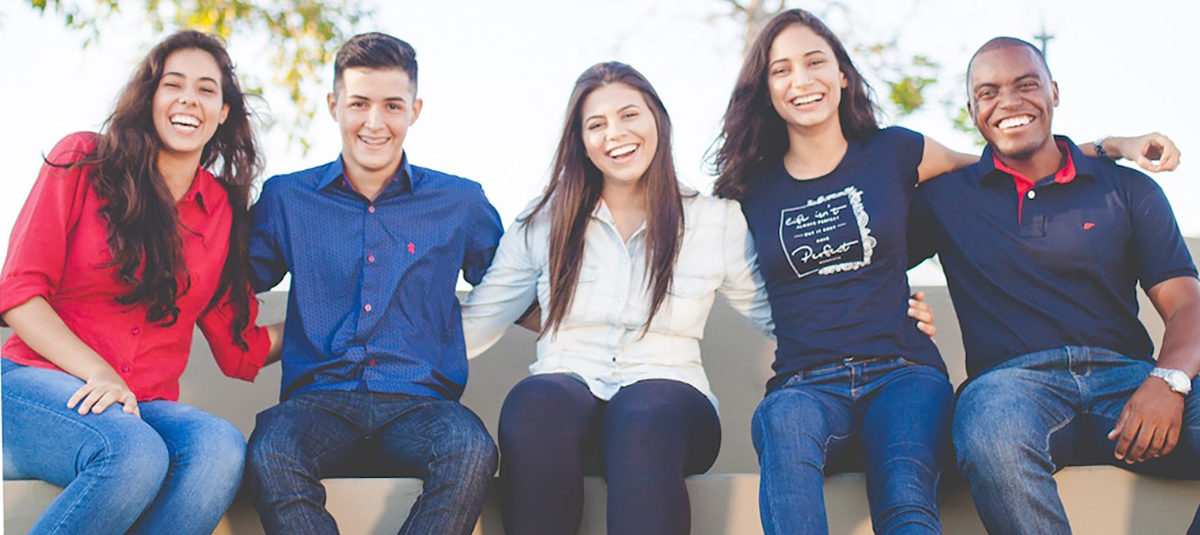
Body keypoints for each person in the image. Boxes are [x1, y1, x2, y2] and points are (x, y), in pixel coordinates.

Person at [710, 9, 1174, 535]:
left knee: (905, 496)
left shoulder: (897, 150)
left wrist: (1111, 147)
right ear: (765, 88)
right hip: (804, 382)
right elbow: (730, 272)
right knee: (781, 424)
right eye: (781, 69)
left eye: (816, 61)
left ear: (842, 73)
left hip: (903, 370)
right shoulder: (749, 187)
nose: (801, 79)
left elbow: (1001, 163)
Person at [461, 61, 935, 535]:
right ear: (580, 140)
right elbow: (478, 321)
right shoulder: (543, 222)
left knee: (641, 414)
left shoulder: (713, 221)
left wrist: (886, 313)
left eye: (630, 115)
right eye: (596, 124)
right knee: (534, 401)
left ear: (657, 122)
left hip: (670, 402)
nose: (615, 134)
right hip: (567, 400)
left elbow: (787, 313)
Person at [908, 37, 1199, 535]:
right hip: (1010, 389)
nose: (1009, 103)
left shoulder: (1126, 188)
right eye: (988, 92)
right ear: (973, 110)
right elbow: (864, 260)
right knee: (991, 434)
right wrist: (899, 305)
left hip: (1129, 381)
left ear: (1054, 92)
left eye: (1026, 85)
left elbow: (1187, 305)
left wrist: (1167, 381)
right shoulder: (943, 199)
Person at [0, 30, 281, 535]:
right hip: (32, 385)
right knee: (131, 451)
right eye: (173, 84)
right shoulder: (84, 160)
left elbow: (240, 347)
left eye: (206, 89)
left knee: (220, 449)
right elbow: (18, 294)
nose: (188, 99)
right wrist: (100, 373)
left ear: (221, 113)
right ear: (150, 98)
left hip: (141, 406)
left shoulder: (220, 211)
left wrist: (338, 318)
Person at [244, 32, 504, 535]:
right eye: (359, 103)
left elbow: (515, 289)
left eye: (392, 105)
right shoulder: (286, 198)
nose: (374, 122)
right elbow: (225, 284)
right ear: (334, 105)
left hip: (422, 404)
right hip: (317, 402)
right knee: (270, 449)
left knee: (472, 450)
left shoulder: (461, 202)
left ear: (415, 109)